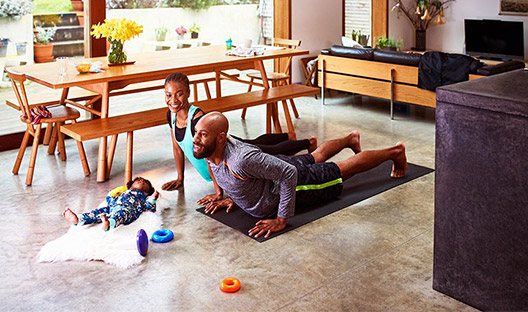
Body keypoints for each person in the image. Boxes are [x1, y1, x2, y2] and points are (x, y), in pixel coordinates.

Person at [194, 112, 408, 239]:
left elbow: (288, 173)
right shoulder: (208, 149)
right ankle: (351, 139)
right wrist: (224, 194)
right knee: (316, 156)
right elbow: (216, 166)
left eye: (203, 134)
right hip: (272, 169)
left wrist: (281, 219)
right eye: (196, 132)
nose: (196, 139)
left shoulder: (242, 159)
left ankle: (395, 152)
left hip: (295, 183)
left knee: (341, 169)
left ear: (221, 138)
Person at [161, 72, 317, 201]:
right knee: (256, 142)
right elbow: (177, 146)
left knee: (269, 151)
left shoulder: (196, 119)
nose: (173, 100)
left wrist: (218, 193)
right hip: (225, 141)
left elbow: (209, 157)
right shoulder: (171, 116)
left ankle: (307, 143)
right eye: (168, 95)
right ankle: (287, 136)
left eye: (179, 94)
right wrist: (180, 179)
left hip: (229, 150)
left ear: (188, 93)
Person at [63, 177, 159, 231]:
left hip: (129, 209)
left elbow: (149, 207)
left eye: (145, 183)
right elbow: (110, 198)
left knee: (121, 215)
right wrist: (111, 196)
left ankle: (110, 224)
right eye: (138, 180)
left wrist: (153, 199)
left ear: (148, 191)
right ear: (130, 186)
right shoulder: (124, 192)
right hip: (113, 206)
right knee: (97, 212)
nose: (142, 181)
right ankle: (78, 219)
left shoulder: (144, 196)